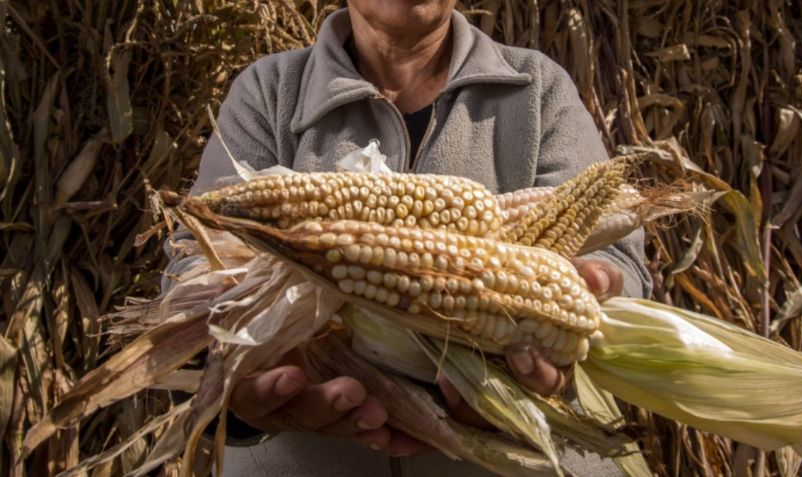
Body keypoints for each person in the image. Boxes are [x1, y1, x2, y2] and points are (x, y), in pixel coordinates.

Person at [188, 1, 652, 475]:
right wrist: (239, 386)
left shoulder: (538, 86)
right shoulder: (270, 90)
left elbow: (616, 263)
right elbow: (200, 270)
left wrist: (579, 313)